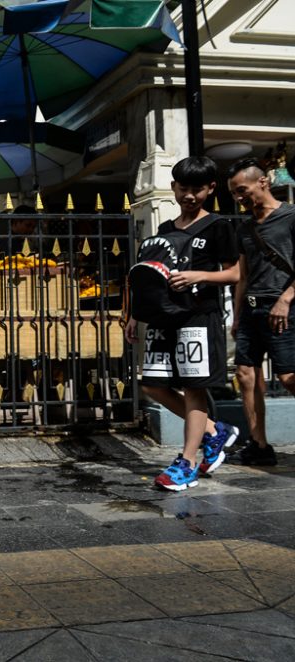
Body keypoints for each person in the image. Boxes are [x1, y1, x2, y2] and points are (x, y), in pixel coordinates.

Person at [125, 156, 240, 491]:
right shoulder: (164, 231)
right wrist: (135, 315)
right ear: (174, 187)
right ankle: (214, 431)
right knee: (152, 385)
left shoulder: (219, 226)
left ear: (210, 189)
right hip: (163, 318)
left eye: (198, 189)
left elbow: (234, 273)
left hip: (198, 318)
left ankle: (187, 462)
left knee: (193, 388)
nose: (190, 196)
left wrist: (199, 275)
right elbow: (150, 278)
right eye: (184, 188)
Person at [227, 157, 295, 466]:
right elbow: (242, 275)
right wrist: (238, 315)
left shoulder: (291, 216)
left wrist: (286, 298)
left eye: (242, 190)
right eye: (235, 193)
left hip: (283, 308)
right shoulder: (244, 227)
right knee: (245, 375)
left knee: (289, 377)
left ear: (263, 182)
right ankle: (259, 444)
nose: (239, 198)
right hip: (252, 310)